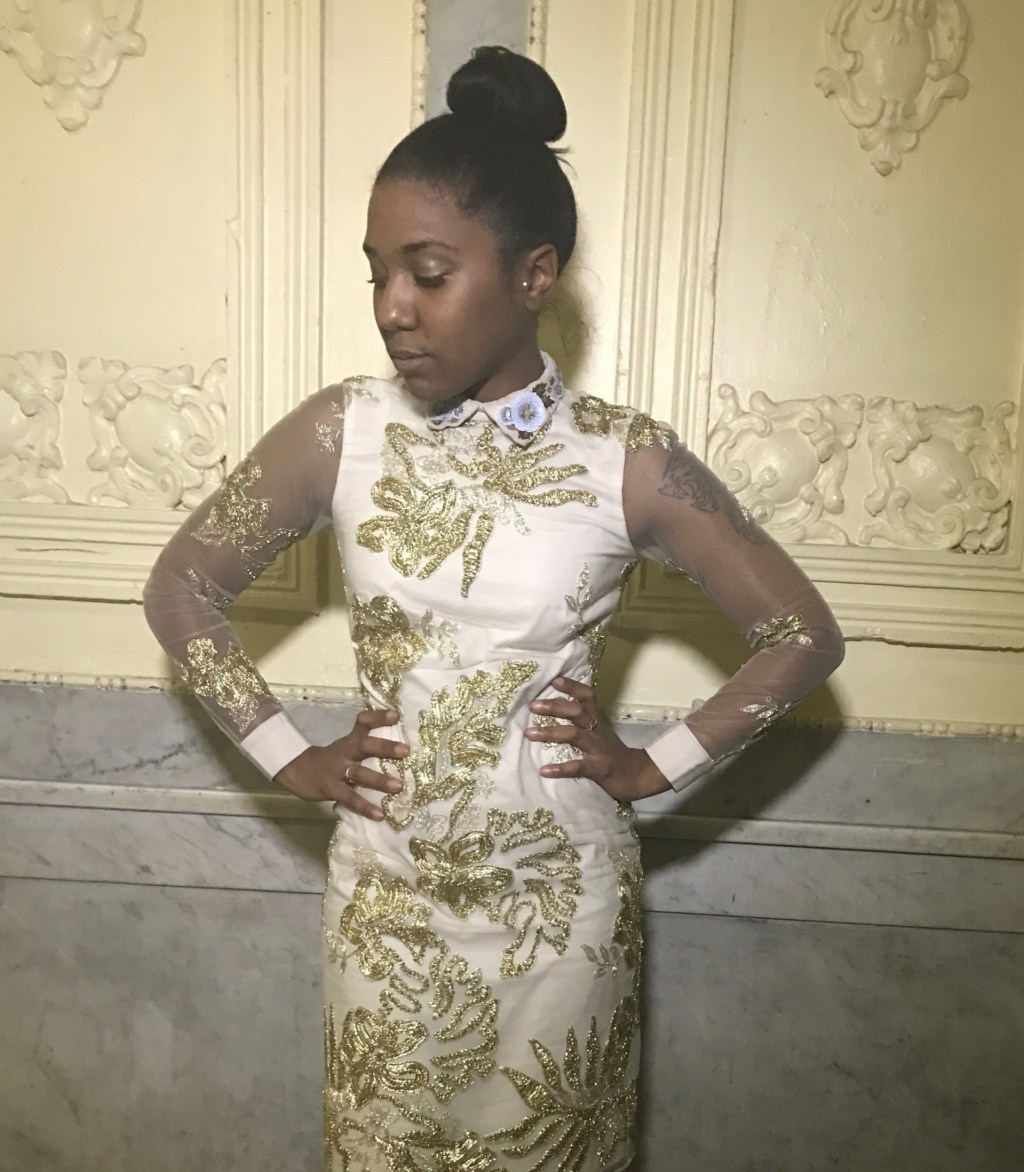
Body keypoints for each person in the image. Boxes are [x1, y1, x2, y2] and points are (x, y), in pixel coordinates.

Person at [144, 45, 844, 1172]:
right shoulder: (341, 430)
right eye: (377, 273)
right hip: (384, 901)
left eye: (428, 272)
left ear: (533, 275)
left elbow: (802, 636)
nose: (392, 307)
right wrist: (287, 754)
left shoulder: (626, 459)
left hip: (561, 917)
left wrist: (651, 764)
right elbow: (181, 584)